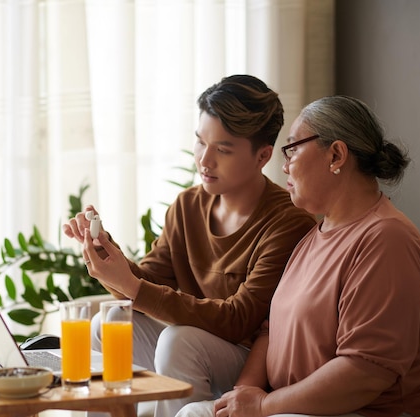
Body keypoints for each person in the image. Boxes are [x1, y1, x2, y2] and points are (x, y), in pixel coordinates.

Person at [177, 95, 420, 417]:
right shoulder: (316, 235)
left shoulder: (386, 239)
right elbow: (271, 331)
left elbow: (366, 372)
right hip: (302, 404)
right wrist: (243, 394)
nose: (284, 165)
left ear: (336, 155)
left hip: (378, 410)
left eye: (293, 148)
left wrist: (263, 405)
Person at [62, 74, 317, 417]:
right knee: (108, 323)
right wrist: (106, 253)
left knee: (178, 340)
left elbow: (239, 319)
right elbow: (148, 283)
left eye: (223, 149)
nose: (204, 160)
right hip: (197, 344)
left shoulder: (287, 221)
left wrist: (132, 286)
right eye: (200, 142)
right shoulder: (187, 206)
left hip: (247, 362)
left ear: (262, 156)